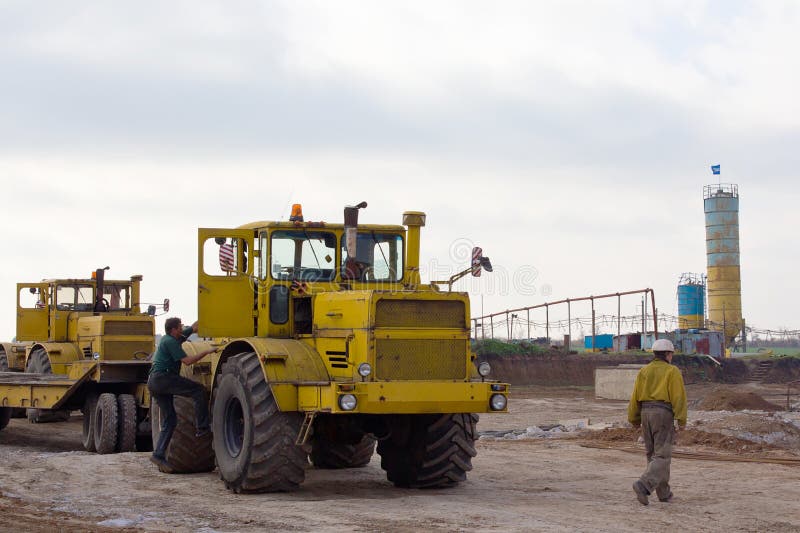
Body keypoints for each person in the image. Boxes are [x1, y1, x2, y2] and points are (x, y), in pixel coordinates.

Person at [147, 317, 217, 472]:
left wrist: (196, 326)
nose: (182, 328)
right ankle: (203, 428)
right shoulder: (171, 342)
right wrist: (207, 351)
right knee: (198, 390)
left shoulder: (170, 338)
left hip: (154, 382)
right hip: (164, 379)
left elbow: (189, 330)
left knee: (170, 420)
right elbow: (187, 361)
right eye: (179, 327)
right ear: (173, 330)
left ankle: (158, 455)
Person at [628, 338, 687, 505]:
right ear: (668, 354)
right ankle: (644, 485)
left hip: (645, 413)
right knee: (662, 455)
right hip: (663, 414)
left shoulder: (644, 371)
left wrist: (634, 418)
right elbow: (678, 396)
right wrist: (681, 419)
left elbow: (634, 397)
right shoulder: (672, 371)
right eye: (671, 354)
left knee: (653, 455)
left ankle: (663, 493)